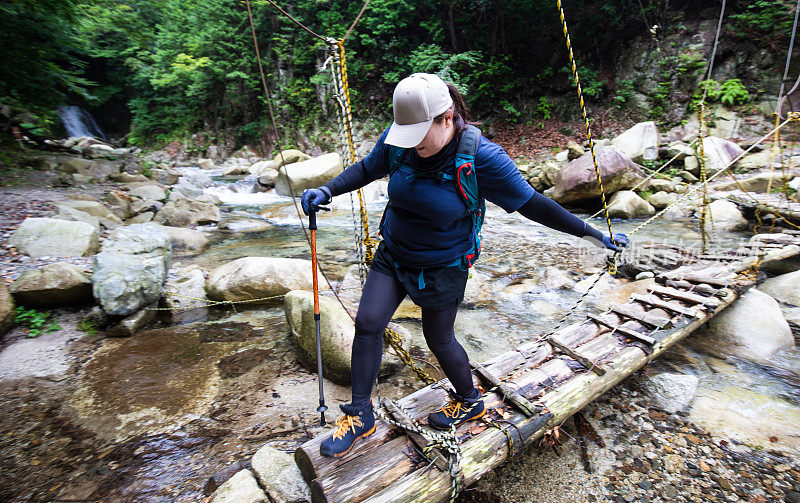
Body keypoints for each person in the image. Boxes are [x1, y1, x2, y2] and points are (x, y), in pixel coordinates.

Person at [301, 73, 628, 458]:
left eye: (422, 133)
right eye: (409, 134)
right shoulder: (402, 139)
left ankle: (470, 399)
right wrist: (327, 190)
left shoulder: (482, 159)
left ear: (447, 117)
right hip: (394, 252)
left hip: (443, 265)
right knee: (369, 323)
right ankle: (360, 414)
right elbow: (369, 168)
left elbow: (535, 205)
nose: (415, 144)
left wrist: (594, 236)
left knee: (438, 339)